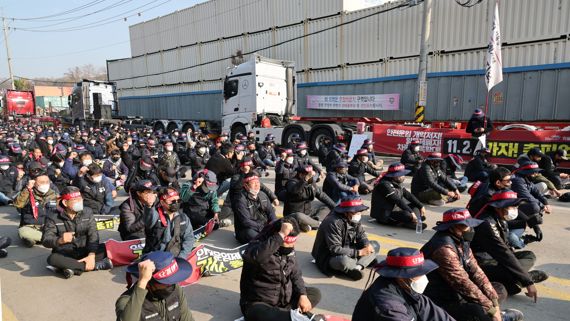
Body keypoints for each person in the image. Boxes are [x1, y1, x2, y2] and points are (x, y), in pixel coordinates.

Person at [422, 208, 523, 321]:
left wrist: (494, 302)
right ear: (452, 227)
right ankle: (498, 317)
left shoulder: (461, 240)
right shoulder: (444, 249)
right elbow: (462, 283)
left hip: (455, 292)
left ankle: (495, 315)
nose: (470, 229)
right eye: (466, 226)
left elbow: (476, 271)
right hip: (440, 298)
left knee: (499, 289)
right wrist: (491, 309)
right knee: (476, 311)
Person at [240, 216, 324, 321]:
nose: (291, 246)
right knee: (259, 314)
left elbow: (296, 274)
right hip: (259, 303)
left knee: (314, 293)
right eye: (287, 243)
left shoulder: (289, 250)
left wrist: (302, 295)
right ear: (277, 238)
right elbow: (256, 258)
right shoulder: (258, 248)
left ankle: (290, 315)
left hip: (284, 301)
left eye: (293, 243)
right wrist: (281, 235)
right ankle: (297, 316)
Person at [471, 190, 548, 299]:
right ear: (498, 207)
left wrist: (533, 224)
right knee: (510, 275)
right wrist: (528, 282)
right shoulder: (486, 223)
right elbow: (504, 254)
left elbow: (506, 248)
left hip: (497, 258)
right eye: (511, 207)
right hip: (482, 263)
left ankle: (518, 277)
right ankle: (522, 278)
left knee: (529, 255)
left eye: (516, 206)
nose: (515, 209)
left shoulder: (498, 217)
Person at [352, 248, 454, 321]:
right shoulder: (388, 304)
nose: (423, 277)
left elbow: (435, 314)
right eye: (418, 274)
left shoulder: (409, 290)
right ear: (401, 277)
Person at [41, 186, 113, 278]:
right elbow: (46, 240)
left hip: (85, 250)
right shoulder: (53, 216)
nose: (80, 202)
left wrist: (91, 255)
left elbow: (93, 234)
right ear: (65, 202)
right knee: (52, 259)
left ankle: (70, 268)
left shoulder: (87, 212)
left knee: (106, 248)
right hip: (65, 253)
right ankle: (95, 266)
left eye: (80, 199)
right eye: (75, 200)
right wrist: (60, 240)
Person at [312, 195, 379, 280]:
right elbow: (335, 249)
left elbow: (361, 234)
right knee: (343, 261)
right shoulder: (333, 222)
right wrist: (359, 253)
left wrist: (366, 245)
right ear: (346, 212)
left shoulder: (353, 218)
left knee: (375, 245)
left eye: (360, 211)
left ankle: (357, 267)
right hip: (329, 255)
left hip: (349, 248)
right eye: (356, 212)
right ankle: (363, 262)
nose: (359, 214)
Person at [116, 251, 195, 321]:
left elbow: (187, 318)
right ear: (149, 283)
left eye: (172, 280)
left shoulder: (176, 289)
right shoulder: (126, 301)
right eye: (165, 282)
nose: (170, 284)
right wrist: (142, 281)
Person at [370, 163, 426, 230]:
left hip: (395, 209)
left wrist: (421, 205)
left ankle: (413, 221)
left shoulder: (397, 182)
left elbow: (408, 195)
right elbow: (397, 200)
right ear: (394, 176)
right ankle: (412, 221)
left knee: (416, 206)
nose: (403, 176)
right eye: (401, 174)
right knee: (407, 214)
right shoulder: (384, 185)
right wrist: (411, 212)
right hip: (385, 214)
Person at [142, 187, 194, 259]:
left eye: (178, 201)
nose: (176, 203)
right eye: (172, 201)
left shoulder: (183, 217)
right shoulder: (155, 215)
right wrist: (149, 206)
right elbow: (148, 219)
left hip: (176, 255)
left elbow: (189, 238)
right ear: (162, 202)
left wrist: (182, 257)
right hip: (155, 256)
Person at [283, 165, 335, 231]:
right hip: (294, 214)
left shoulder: (311, 182)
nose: (310, 177)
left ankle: (313, 223)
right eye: (307, 175)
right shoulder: (292, 182)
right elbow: (294, 191)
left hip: (308, 212)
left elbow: (322, 195)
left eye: (310, 175)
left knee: (326, 207)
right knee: (299, 216)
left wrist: (335, 207)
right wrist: (305, 180)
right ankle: (316, 224)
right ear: (300, 175)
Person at [13, 170, 58, 247]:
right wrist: (28, 189)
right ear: (34, 183)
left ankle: (38, 239)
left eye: (47, 182)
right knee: (23, 232)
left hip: (49, 227)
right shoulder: (27, 193)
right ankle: (49, 239)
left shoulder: (53, 195)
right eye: (42, 182)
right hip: (32, 227)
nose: (45, 184)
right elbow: (18, 204)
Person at [232, 172, 277, 244]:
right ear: (246, 185)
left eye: (258, 182)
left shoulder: (262, 194)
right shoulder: (239, 199)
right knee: (254, 236)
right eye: (253, 183)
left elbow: (271, 212)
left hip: (264, 226)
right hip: (247, 229)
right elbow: (246, 221)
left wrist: (274, 223)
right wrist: (264, 228)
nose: (257, 185)